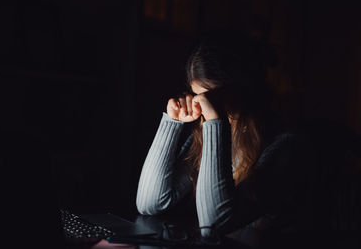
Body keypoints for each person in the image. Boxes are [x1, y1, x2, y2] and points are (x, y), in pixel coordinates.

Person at [135, 30, 361, 242]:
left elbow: (213, 225)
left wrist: (216, 122)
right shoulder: (208, 135)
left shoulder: (288, 146)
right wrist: (171, 123)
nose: (202, 107)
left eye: (212, 98)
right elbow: (149, 204)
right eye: (197, 96)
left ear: (241, 92)